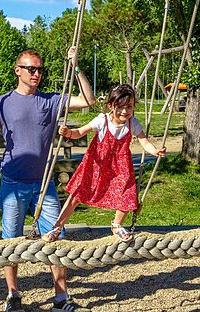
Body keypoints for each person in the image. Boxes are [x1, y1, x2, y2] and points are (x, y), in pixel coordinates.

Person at [0, 48, 95, 312]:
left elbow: (88, 101)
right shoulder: (2, 102)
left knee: (58, 239)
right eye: (31, 69)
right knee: (11, 242)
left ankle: (61, 297)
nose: (37, 74)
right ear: (17, 70)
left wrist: (76, 67)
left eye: (40, 70)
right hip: (13, 182)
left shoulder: (50, 100)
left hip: (44, 185)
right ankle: (13, 295)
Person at [45, 83, 166, 241]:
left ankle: (117, 225)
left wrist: (155, 151)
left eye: (129, 107)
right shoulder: (102, 120)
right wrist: (69, 133)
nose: (125, 111)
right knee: (77, 194)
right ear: (110, 105)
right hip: (97, 164)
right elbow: (80, 132)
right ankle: (57, 226)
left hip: (120, 167)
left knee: (127, 194)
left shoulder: (132, 123)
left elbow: (144, 142)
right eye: (120, 107)